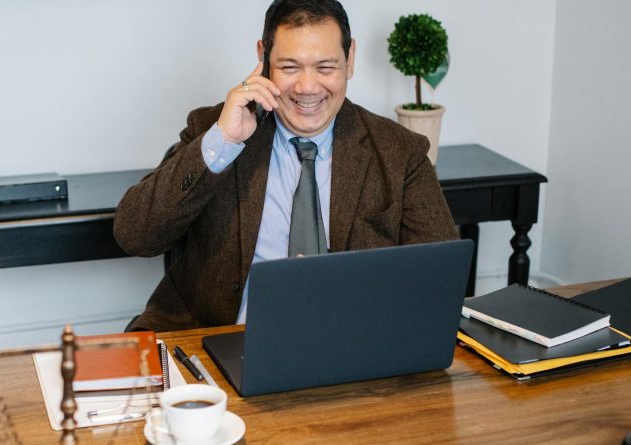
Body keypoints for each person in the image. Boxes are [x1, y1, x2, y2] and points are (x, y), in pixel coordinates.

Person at [114, 0, 457, 332]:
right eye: (290, 67)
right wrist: (224, 141)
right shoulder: (216, 128)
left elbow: (440, 277)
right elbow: (135, 236)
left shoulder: (399, 151)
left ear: (350, 58)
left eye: (325, 67)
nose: (307, 87)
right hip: (215, 340)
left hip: (351, 346)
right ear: (263, 58)